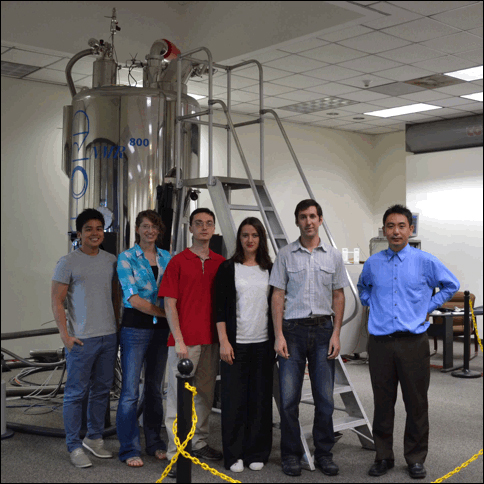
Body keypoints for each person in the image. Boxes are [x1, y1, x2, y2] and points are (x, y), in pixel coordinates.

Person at [357, 204, 459, 480]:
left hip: (413, 342)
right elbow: (363, 287)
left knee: (416, 403)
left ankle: (415, 458)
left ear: (410, 229)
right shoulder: (373, 263)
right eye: (390, 226)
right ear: (384, 230)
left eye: (401, 226)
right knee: (382, 402)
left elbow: (451, 284)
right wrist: (371, 303)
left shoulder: (425, 261)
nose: (396, 231)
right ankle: (383, 456)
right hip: (380, 344)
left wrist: (429, 304)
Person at [269, 199, 349, 477]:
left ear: (321, 219)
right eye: (303, 217)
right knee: (289, 399)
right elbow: (277, 295)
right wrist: (278, 334)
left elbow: (339, 295)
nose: (309, 221)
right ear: (297, 221)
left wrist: (337, 332)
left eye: (313, 216)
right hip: (292, 331)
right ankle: (291, 454)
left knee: (324, 399)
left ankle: (324, 453)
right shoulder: (285, 254)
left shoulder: (334, 256)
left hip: (324, 330)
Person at [158, 208, 225, 478]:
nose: (204, 228)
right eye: (199, 224)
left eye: (209, 224)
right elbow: (169, 304)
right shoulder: (178, 262)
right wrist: (180, 341)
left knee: (204, 396)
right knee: (177, 400)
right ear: (191, 228)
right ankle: (175, 454)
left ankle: (197, 442)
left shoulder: (220, 262)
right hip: (184, 343)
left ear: (213, 228)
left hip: (211, 342)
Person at [51, 208, 120, 468]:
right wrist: (66, 336)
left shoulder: (111, 260)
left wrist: (117, 327)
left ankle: (94, 438)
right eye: (88, 229)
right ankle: (73, 445)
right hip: (81, 340)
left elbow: (115, 298)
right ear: (79, 234)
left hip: (108, 337)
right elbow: (57, 301)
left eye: (99, 228)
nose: (94, 233)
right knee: (75, 394)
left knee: (102, 391)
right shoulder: (67, 262)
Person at [214, 217, 275, 473]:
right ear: (239, 239)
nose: (249, 240)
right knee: (233, 401)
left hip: (263, 345)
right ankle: (234, 454)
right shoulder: (229, 268)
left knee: (260, 401)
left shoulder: (270, 268)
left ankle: (257, 451)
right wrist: (224, 341)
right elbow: (218, 308)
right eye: (245, 235)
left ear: (261, 239)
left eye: (254, 235)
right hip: (235, 345)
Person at [116, 210, 171, 467]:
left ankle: (154, 442)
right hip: (135, 330)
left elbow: (175, 292)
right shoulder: (126, 258)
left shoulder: (167, 258)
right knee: (129, 392)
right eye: (145, 226)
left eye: (154, 227)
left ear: (159, 231)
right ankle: (128, 449)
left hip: (161, 332)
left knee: (154, 389)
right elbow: (133, 299)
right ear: (137, 229)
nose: (150, 231)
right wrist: (165, 314)